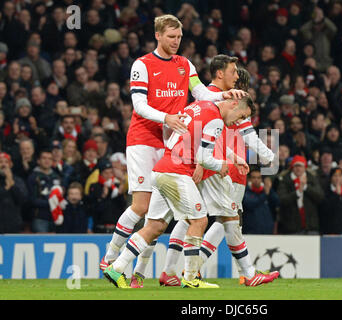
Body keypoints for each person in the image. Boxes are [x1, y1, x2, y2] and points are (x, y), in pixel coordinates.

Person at [100, 15, 246, 273]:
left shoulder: (185, 64)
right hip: (144, 138)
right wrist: (166, 117)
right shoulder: (142, 65)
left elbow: (200, 92)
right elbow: (139, 106)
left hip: (173, 142)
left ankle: (139, 272)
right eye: (171, 37)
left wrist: (224, 94)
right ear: (158, 35)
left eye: (179, 37)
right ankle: (110, 256)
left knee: (160, 216)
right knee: (142, 206)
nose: (176, 41)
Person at [103, 97, 254, 289]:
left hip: (161, 169)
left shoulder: (198, 106)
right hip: (177, 172)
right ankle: (191, 278)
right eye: (241, 115)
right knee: (199, 220)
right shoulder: (215, 120)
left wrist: (232, 156)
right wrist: (222, 165)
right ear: (233, 104)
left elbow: (187, 136)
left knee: (155, 226)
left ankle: (116, 267)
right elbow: (204, 157)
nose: (238, 122)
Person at [158, 59, 275, 287]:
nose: (236, 85)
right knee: (229, 218)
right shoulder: (227, 102)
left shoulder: (207, 98)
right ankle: (217, 272)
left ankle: (169, 270)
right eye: (235, 78)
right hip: (218, 167)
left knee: (190, 218)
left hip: (211, 162)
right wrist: (269, 156)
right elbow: (234, 134)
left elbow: (194, 130)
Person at [276, 155, 324, 234]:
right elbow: (282, 200)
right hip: (291, 227)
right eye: (296, 166)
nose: (298, 169)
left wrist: (306, 187)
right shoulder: (285, 181)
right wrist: (297, 193)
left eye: (300, 166)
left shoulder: (312, 179)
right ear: (292, 167)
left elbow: (320, 197)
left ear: (305, 167)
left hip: (311, 226)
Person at [27, 149, 62, 233]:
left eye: (50, 159)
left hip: (55, 217)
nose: (47, 161)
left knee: (55, 245)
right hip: (40, 218)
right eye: (44, 158)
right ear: (38, 161)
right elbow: (32, 200)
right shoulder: (33, 177)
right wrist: (51, 203)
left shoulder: (56, 176)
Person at [242, 168, 279, 234]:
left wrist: (270, 189)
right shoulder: (245, 192)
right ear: (249, 179)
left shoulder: (267, 190)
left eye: (259, 178)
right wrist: (265, 194)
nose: (256, 180)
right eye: (254, 177)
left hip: (267, 230)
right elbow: (250, 204)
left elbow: (277, 202)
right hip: (250, 231)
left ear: (261, 180)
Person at [0, 151, 28, 233]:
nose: (4, 165)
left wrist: (12, 184)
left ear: (11, 164)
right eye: (0, 162)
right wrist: (7, 188)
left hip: (13, 224)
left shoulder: (18, 181)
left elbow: (22, 200)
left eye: (6, 162)